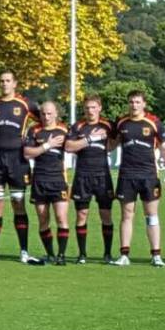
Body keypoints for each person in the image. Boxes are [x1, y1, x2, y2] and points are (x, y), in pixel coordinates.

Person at [0, 70, 41, 263]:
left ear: (15, 83)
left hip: (17, 158)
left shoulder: (25, 104)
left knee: (17, 203)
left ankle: (24, 251)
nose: (4, 84)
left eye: (8, 81)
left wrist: (30, 137)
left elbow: (44, 121)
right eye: (1, 81)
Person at [112, 90, 165, 267]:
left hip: (149, 176)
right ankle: (124, 255)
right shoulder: (122, 122)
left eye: (137, 102)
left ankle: (156, 255)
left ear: (144, 104)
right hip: (126, 176)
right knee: (126, 215)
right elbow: (112, 144)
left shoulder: (154, 123)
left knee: (151, 215)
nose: (134, 105)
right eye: (131, 102)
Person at [64, 95, 116, 263]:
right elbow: (69, 147)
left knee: (106, 214)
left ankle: (107, 254)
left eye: (93, 107)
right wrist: (90, 139)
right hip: (82, 175)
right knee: (82, 214)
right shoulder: (78, 126)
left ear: (99, 108)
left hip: (102, 175)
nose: (90, 111)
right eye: (87, 108)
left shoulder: (107, 125)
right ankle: (82, 254)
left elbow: (116, 141)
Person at [23, 101, 70, 264]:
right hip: (39, 180)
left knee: (61, 217)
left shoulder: (64, 130)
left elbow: (71, 147)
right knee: (43, 219)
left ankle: (61, 255)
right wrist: (47, 145)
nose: (46, 117)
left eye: (49, 113)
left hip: (58, 179)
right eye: (43, 113)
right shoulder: (34, 130)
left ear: (56, 113)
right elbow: (27, 153)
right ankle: (50, 253)